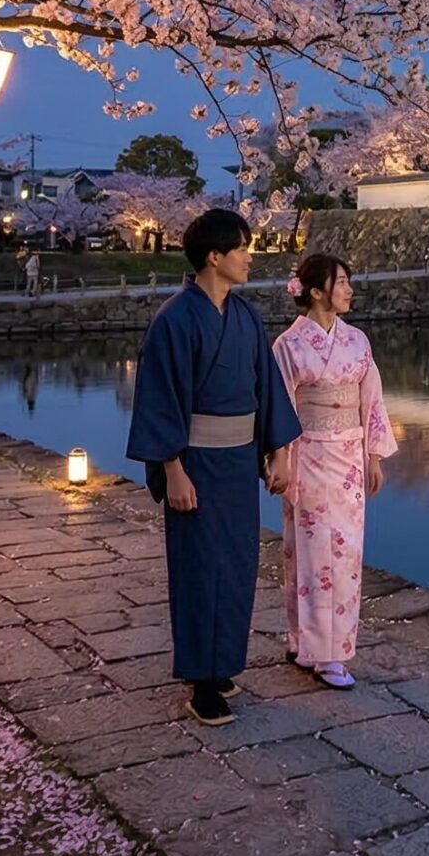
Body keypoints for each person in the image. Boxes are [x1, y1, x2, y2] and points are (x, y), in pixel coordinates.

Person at [125, 209, 300, 725]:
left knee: (238, 565)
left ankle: (222, 664)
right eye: (242, 248)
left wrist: (278, 452)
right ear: (213, 256)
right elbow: (159, 399)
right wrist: (172, 469)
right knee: (200, 568)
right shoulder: (174, 319)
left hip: (239, 462)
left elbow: (267, 387)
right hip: (196, 463)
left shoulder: (246, 317)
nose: (250, 257)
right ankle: (201, 681)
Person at [270, 254, 397, 689]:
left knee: (345, 556)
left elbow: (372, 400)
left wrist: (373, 456)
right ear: (316, 291)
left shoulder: (357, 341)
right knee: (309, 554)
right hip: (307, 454)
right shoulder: (288, 345)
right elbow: (279, 408)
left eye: (347, 281)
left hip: (349, 459)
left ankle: (317, 645)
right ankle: (320, 653)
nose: (349, 289)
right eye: (341, 282)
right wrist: (279, 458)